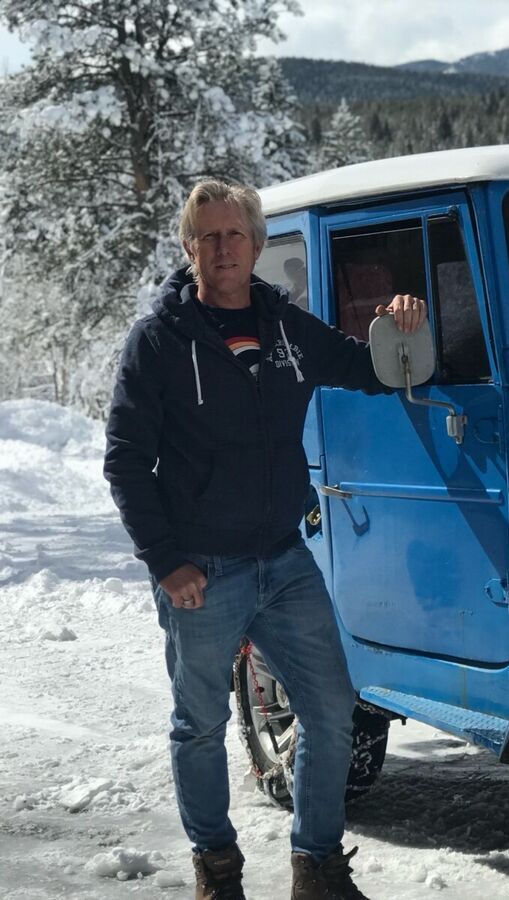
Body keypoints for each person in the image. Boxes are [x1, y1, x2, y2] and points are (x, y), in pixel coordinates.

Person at [103, 179, 426, 900]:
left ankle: (316, 866)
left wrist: (401, 324)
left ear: (256, 244)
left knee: (331, 706)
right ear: (190, 248)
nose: (223, 249)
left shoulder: (285, 328)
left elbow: (361, 367)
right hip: (203, 570)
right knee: (199, 724)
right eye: (208, 237)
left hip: (282, 559)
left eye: (235, 235)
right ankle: (217, 870)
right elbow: (125, 456)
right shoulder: (160, 340)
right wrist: (165, 560)